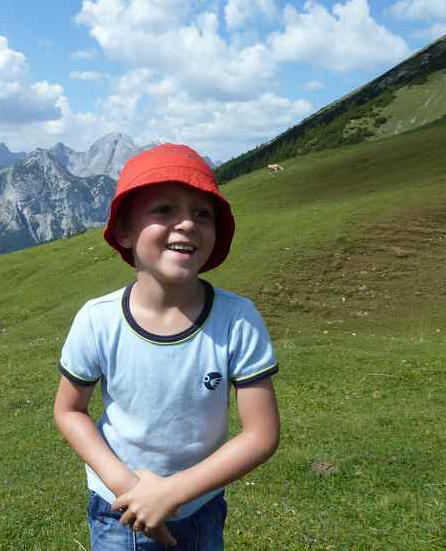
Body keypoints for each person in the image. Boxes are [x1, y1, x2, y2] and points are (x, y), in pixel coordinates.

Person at [54, 143, 280, 550]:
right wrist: (131, 489)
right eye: (163, 210)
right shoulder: (98, 319)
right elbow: (69, 410)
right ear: (124, 230)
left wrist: (172, 493)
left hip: (200, 509)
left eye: (202, 213)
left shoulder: (238, 320)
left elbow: (261, 434)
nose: (187, 224)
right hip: (117, 510)